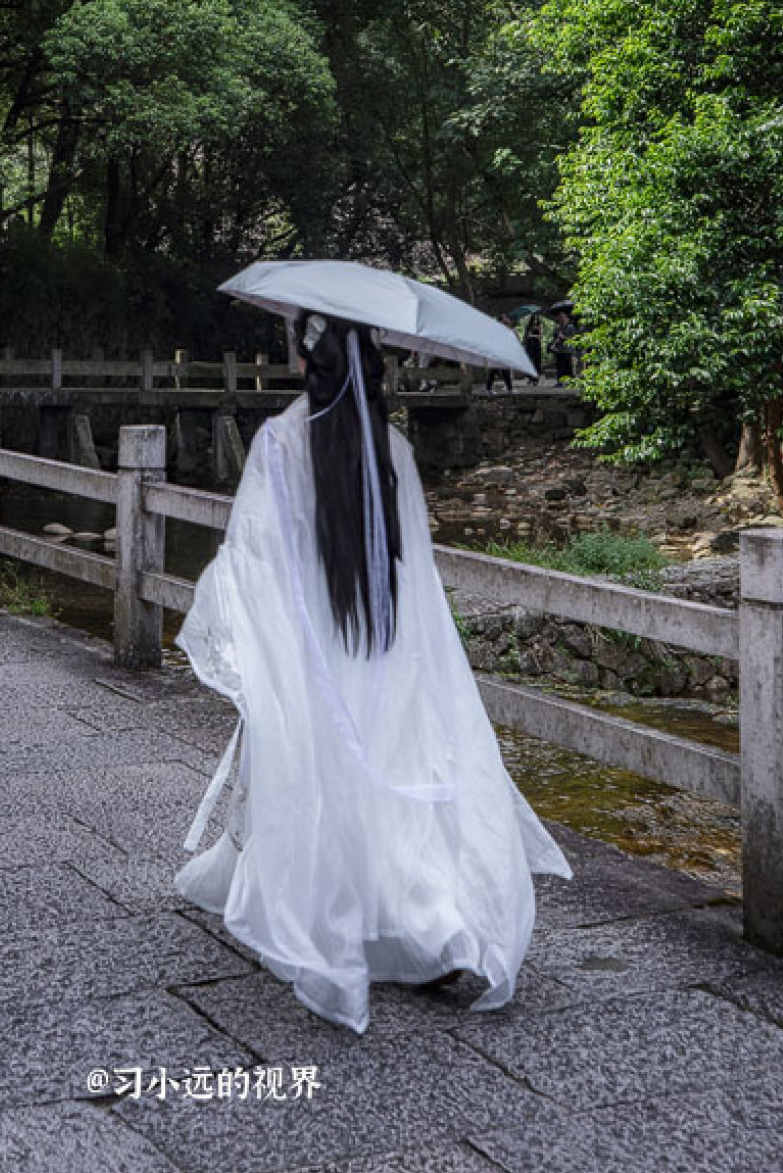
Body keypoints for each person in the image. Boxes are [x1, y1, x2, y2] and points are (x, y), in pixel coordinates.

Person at [175, 310, 571, 1033]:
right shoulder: (393, 450)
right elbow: (413, 571)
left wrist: (257, 649)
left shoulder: (279, 443)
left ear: (306, 361)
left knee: (327, 778)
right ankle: (438, 925)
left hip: (312, 649)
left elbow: (253, 560)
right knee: (395, 777)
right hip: (385, 645)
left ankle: (358, 917)